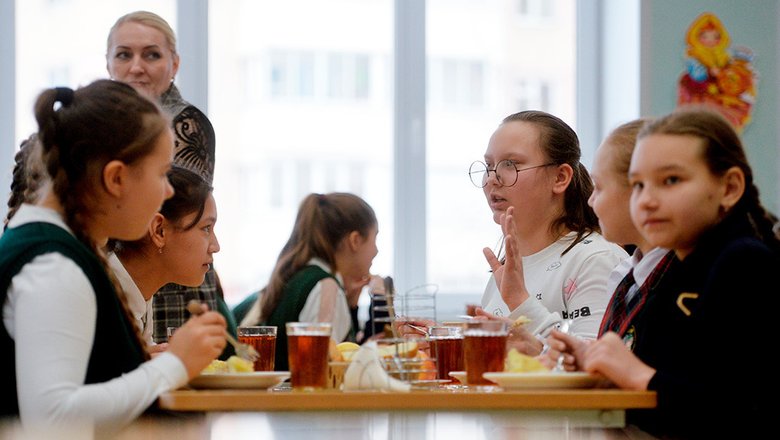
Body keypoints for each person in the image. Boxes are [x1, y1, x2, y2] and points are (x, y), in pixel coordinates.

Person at [0, 80, 226, 434]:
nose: (168, 190)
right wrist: (175, 364)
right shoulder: (55, 267)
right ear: (117, 178)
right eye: (162, 173)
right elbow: (53, 419)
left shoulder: (59, 250)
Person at [566, 108, 779, 437]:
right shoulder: (681, 267)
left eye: (671, 180)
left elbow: (733, 413)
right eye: (638, 185)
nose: (647, 200)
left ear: (730, 187)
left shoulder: (743, 262)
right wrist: (605, 368)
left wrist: (637, 376)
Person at [106, 11, 225, 344]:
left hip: (169, 285)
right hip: (129, 274)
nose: (136, 66)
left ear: (174, 64)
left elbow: (181, 213)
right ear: (108, 64)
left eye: (152, 54)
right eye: (124, 54)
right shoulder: (106, 126)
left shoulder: (184, 122)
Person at [470, 110, 627, 353]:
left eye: (510, 164)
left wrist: (519, 300)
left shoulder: (596, 259)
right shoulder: (504, 269)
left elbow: (594, 369)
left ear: (560, 178)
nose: (492, 179)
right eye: (489, 165)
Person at [541, 119, 676, 370]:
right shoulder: (627, 275)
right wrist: (583, 358)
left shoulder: (681, 278)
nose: (591, 201)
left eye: (599, 187)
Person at [239, 192, 379, 371]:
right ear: (355, 240)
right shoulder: (326, 287)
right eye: (375, 238)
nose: (376, 250)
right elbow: (323, 371)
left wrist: (351, 305)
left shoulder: (297, 275)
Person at [109, 167, 221, 351]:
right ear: (160, 231)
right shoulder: (103, 296)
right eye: (206, 228)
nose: (216, 246)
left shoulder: (138, 294)